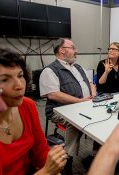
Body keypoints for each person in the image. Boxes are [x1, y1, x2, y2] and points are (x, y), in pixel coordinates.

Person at [0, 48, 67, 175]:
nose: (19, 85)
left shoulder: (27, 105)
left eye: (20, 76)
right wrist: (46, 172)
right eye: (4, 79)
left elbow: (41, 150)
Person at [39, 38, 96, 173]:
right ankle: (67, 159)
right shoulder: (50, 70)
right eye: (73, 48)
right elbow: (53, 94)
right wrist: (81, 102)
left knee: (101, 118)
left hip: (85, 106)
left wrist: (93, 94)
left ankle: (94, 154)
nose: (76, 51)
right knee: (75, 122)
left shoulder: (78, 67)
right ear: (62, 50)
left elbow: (90, 83)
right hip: (59, 110)